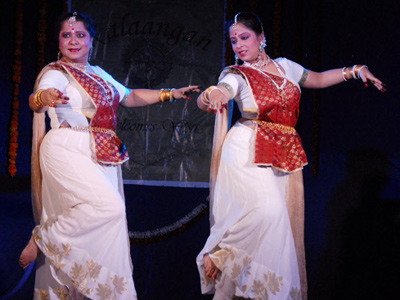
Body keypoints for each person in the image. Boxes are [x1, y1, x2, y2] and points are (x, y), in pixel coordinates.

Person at [195, 11, 385, 300]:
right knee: (268, 212)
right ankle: (219, 252)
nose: (239, 46)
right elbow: (220, 91)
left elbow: (318, 79)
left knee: (279, 226)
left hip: (281, 152)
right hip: (246, 148)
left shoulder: (286, 68)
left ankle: (255, 292)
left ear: (261, 37)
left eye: (244, 38)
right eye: (233, 41)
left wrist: (356, 70)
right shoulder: (235, 74)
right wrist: (211, 95)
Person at [18, 12, 200, 300]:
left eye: (80, 35)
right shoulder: (57, 72)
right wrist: (45, 97)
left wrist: (170, 94)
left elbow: (128, 96)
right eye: (67, 35)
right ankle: (44, 237)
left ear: (91, 40)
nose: (73, 41)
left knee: (108, 224)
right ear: (59, 41)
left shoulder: (98, 73)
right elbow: (36, 99)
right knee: (109, 208)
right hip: (67, 146)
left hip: (99, 151)